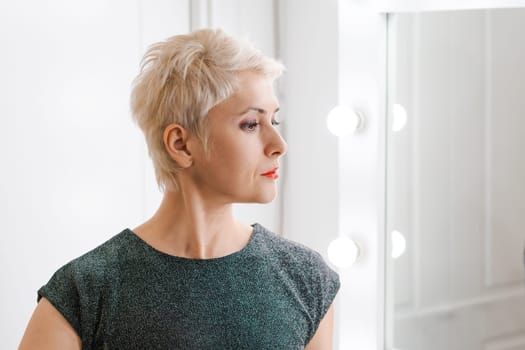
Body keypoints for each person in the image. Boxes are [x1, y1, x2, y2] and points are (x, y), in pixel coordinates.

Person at [19, 28, 340, 350]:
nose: (278, 145)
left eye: (275, 121)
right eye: (251, 124)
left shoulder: (306, 279)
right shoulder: (85, 293)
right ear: (181, 144)